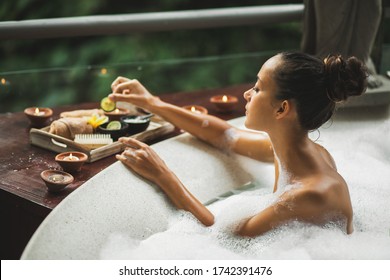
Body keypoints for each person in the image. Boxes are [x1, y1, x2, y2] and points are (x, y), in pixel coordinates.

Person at [108, 52, 367, 237]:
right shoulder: (298, 150)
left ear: (281, 109)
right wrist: (152, 103)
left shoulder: (312, 193)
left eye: (257, 88)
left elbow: (225, 236)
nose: (247, 94)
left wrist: (162, 174)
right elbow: (224, 135)